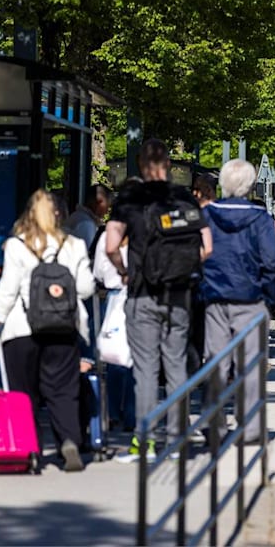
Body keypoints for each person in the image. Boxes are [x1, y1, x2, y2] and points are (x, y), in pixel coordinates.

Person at [104, 139, 212, 460]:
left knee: (146, 370)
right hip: (179, 295)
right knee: (177, 365)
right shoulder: (183, 197)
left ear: (141, 164)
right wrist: (181, 269)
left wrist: (125, 271)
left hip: (143, 293)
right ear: (168, 164)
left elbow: (111, 245)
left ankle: (145, 441)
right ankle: (179, 441)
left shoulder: (130, 198)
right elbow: (207, 248)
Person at [0, 189, 96, 472]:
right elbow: (85, 287)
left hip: (22, 330)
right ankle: (68, 441)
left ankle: (29, 448)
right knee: (63, 390)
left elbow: (7, 290)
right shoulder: (75, 244)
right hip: (63, 329)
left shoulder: (17, 246)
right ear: (58, 214)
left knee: (23, 393)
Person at [201, 159, 275, 444]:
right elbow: (271, 259)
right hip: (250, 298)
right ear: (249, 185)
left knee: (216, 363)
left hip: (215, 298)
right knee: (251, 365)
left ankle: (215, 424)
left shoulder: (207, 214)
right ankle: (251, 428)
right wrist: (271, 297)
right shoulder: (259, 218)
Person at [93, 178, 140, 432]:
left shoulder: (107, 234)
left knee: (113, 357)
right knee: (136, 358)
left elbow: (99, 269)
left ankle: (111, 412)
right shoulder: (146, 228)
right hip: (139, 296)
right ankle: (132, 415)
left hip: (113, 297)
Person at [188, 173, 218, 376]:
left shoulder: (193, 215)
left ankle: (195, 368)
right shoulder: (221, 214)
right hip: (217, 279)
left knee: (194, 328)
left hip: (196, 278)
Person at [64, 184, 111, 250]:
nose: (107, 210)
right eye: (108, 205)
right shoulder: (86, 223)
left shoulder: (77, 216)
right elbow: (87, 254)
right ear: (99, 202)